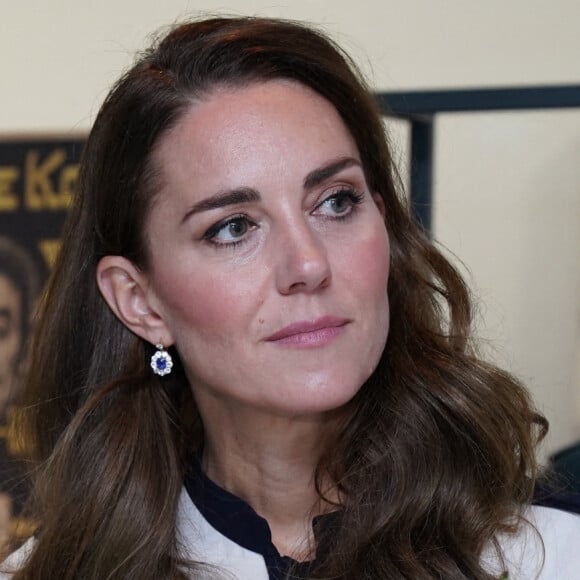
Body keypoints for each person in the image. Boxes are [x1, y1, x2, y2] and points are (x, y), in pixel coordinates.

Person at [2, 16, 579, 580]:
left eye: (335, 201)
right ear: (140, 302)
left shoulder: (551, 550)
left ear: (384, 223)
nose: (308, 264)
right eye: (233, 227)